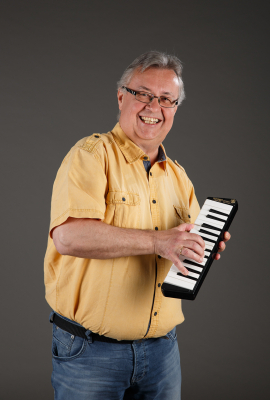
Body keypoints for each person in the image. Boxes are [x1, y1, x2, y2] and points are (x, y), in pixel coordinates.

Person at [44, 51, 231, 400]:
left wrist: (199, 248)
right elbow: (68, 236)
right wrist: (160, 242)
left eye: (165, 99)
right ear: (121, 96)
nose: (153, 107)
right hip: (90, 353)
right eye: (142, 94)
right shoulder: (90, 155)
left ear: (175, 109)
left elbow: (180, 246)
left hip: (163, 354)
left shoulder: (179, 177)